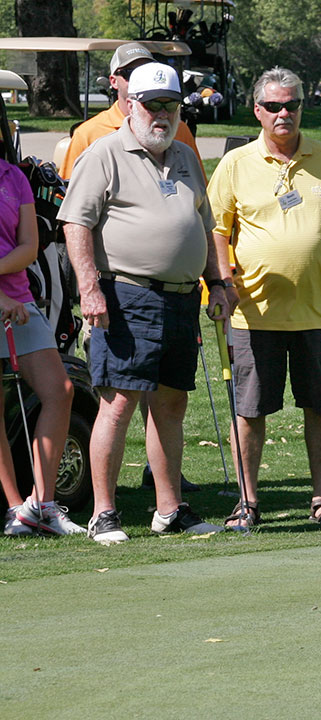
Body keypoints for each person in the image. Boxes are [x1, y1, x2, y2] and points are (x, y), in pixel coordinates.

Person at [58, 62, 228, 544]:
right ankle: (104, 514)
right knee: (118, 404)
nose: (161, 114)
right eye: (151, 104)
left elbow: (204, 223)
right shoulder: (104, 152)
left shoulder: (185, 155)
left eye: (170, 105)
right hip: (125, 295)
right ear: (130, 105)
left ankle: (169, 509)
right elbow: (75, 225)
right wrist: (89, 288)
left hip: (180, 298)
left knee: (171, 404)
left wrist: (216, 282)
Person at [208, 67, 321, 529]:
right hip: (254, 313)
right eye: (273, 106)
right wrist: (222, 282)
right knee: (250, 412)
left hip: (320, 312)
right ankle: (248, 503)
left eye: (291, 105)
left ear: (302, 108)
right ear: (257, 110)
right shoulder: (235, 163)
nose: (283, 113)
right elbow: (217, 229)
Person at [0, 157, 79, 536]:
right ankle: (15, 508)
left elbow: (29, 246)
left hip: (19, 301)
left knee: (59, 390)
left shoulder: (12, 176)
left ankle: (41, 505)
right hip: (7, 302)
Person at [59, 43, 203, 180]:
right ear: (113, 81)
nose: (138, 78)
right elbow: (67, 193)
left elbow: (199, 188)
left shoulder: (179, 130)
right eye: (130, 73)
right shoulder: (88, 134)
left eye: (145, 71)